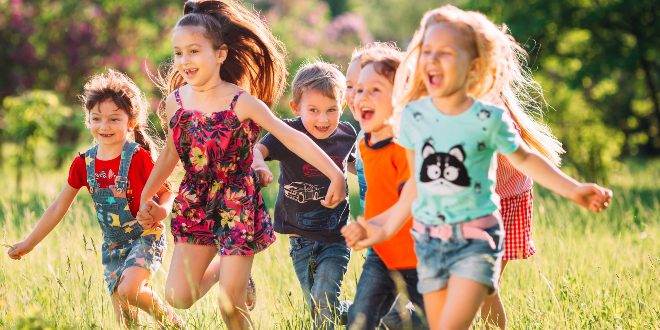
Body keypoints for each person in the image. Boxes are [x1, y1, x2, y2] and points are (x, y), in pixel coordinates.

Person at [346, 5, 613, 329]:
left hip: (475, 241)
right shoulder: (414, 120)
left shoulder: (486, 118)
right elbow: (412, 194)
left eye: (445, 52)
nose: (432, 59)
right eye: (427, 51)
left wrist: (573, 189)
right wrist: (377, 229)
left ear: (473, 66)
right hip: (429, 246)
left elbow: (525, 159)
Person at [138, 1, 346, 329]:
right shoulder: (174, 102)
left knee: (230, 306)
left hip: (237, 204)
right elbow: (169, 152)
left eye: (194, 51)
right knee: (179, 295)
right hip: (195, 204)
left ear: (220, 54)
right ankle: (227, 267)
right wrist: (146, 194)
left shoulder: (243, 103)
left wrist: (335, 173)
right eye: (178, 53)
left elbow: (293, 138)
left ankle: (235, 274)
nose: (184, 61)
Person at [7, 69, 182, 328]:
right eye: (96, 118)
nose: (104, 126)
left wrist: (162, 211)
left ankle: (174, 324)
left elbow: (166, 191)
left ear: (130, 122)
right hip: (113, 246)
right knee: (125, 319)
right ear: (87, 120)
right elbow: (58, 207)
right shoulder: (83, 164)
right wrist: (29, 242)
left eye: (114, 119)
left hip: (146, 236)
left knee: (129, 289)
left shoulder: (138, 157)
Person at [252, 61, 355, 329]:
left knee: (323, 300)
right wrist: (260, 165)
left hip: (336, 236)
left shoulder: (346, 134)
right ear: (296, 108)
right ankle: (378, 313)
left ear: (342, 107)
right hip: (301, 241)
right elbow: (257, 151)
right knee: (320, 307)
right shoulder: (288, 134)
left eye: (332, 110)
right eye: (314, 110)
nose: (323, 119)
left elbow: (353, 164)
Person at [343, 49, 427, 330]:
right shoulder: (365, 141)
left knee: (436, 321)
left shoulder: (405, 148)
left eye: (374, 90)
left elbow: (408, 202)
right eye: (356, 89)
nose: (360, 97)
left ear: (400, 99)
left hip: (419, 256)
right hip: (382, 253)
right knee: (359, 320)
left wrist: (371, 226)